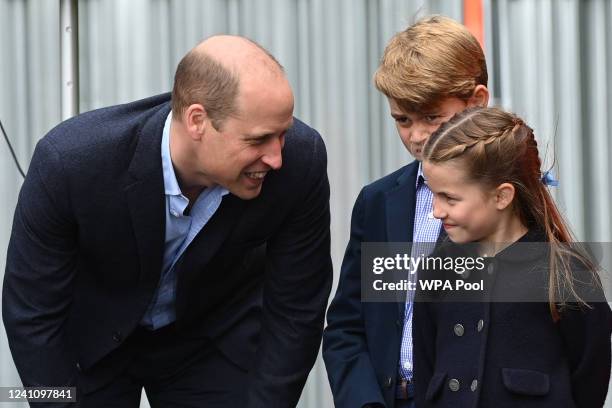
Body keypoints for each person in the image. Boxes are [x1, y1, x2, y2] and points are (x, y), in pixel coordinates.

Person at [2, 35, 333, 407]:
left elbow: (297, 308)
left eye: (283, 134)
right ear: (197, 121)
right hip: (91, 347)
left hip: (211, 342)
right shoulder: (70, 163)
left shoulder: (301, 162)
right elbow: (30, 313)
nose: (276, 158)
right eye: (258, 140)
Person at [323, 15, 489, 408]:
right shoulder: (379, 202)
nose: (416, 136)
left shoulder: (508, 199)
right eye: (402, 119)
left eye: (433, 117)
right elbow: (348, 327)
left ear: (477, 101)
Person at [414, 106, 612, 407]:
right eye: (434, 195)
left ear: (501, 196)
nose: (437, 211)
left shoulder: (569, 274)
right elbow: (426, 370)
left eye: (450, 198)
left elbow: (589, 380)